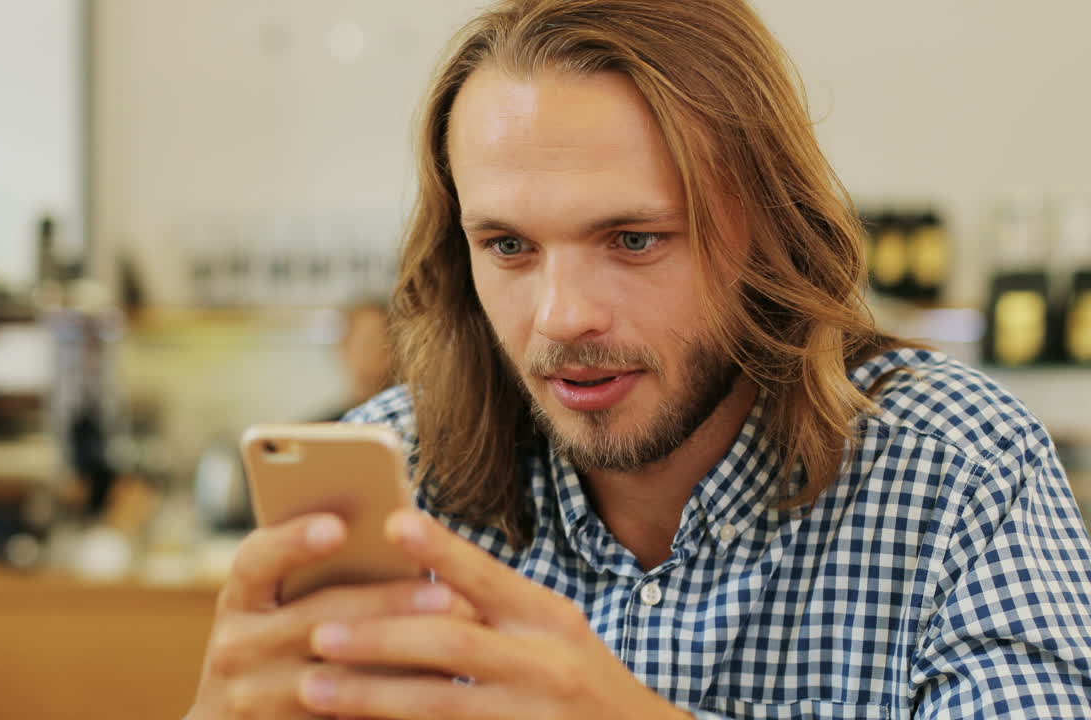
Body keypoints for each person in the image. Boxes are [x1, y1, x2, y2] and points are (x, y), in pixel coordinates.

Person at [188, 1, 1091, 718]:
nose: (561, 316)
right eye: (507, 246)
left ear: (767, 229)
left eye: (632, 238)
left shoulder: (956, 469)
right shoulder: (401, 473)